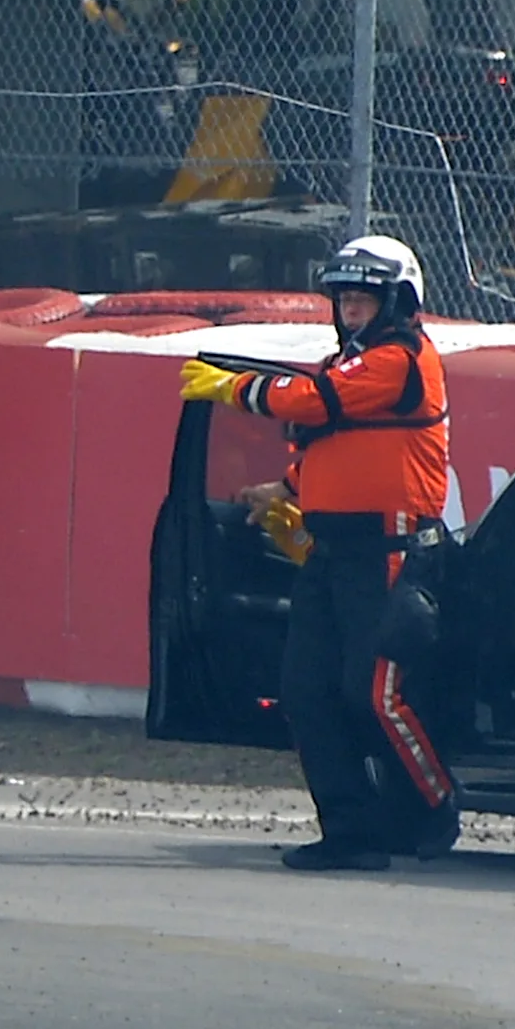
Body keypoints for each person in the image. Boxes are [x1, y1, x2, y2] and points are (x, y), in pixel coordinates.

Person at [177, 237, 458, 872]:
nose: (352, 310)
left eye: (364, 299)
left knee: (375, 695)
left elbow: (314, 401)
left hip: (390, 555)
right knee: (304, 692)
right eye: (345, 299)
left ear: (398, 301)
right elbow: (337, 443)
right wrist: (290, 491)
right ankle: (350, 831)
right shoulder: (348, 364)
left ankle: (433, 807)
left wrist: (234, 388)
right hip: (332, 554)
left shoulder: (404, 359)